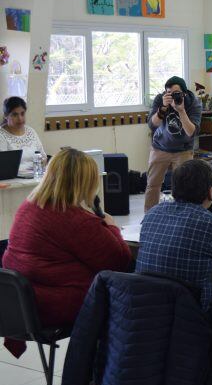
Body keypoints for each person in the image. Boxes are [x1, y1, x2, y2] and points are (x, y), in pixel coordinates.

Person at [2, 148, 131, 357]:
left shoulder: (28, 207)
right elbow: (119, 261)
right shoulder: (74, 220)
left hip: (18, 304)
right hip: (51, 305)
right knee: (125, 293)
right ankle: (102, 369)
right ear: (84, 183)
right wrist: (111, 227)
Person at [136, 160, 212, 310]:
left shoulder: (152, 214)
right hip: (191, 319)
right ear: (210, 192)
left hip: (145, 311)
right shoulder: (211, 224)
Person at [145, 76, 203, 212]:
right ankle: (149, 217)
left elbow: (191, 132)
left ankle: (181, 216)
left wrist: (181, 110)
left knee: (185, 187)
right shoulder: (161, 99)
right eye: (169, 93)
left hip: (183, 150)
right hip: (160, 147)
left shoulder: (193, 103)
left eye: (177, 93)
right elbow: (152, 125)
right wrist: (163, 108)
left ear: (184, 92)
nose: (173, 96)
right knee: (152, 185)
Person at [0, 97, 46, 177]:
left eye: (22, 113)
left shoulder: (31, 132)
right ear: (6, 116)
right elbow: (3, 166)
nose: (20, 118)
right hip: (13, 181)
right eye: (15, 114)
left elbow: (43, 156)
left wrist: (41, 163)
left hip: (35, 177)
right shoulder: (2, 135)